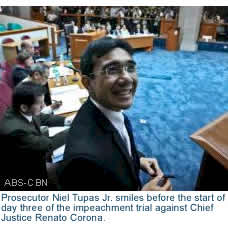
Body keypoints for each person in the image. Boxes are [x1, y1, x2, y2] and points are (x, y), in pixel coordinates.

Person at [59, 37, 171, 191]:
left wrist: (137, 159)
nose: (127, 78)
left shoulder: (109, 109)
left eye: (130, 68)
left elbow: (116, 145)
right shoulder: (83, 160)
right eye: (112, 69)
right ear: (87, 83)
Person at [0, 82, 70, 190]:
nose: (43, 106)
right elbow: (48, 144)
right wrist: (74, 129)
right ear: (24, 107)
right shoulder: (15, 131)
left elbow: (42, 118)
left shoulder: (21, 109)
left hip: (35, 158)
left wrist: (68, 121)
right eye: (40, 103)